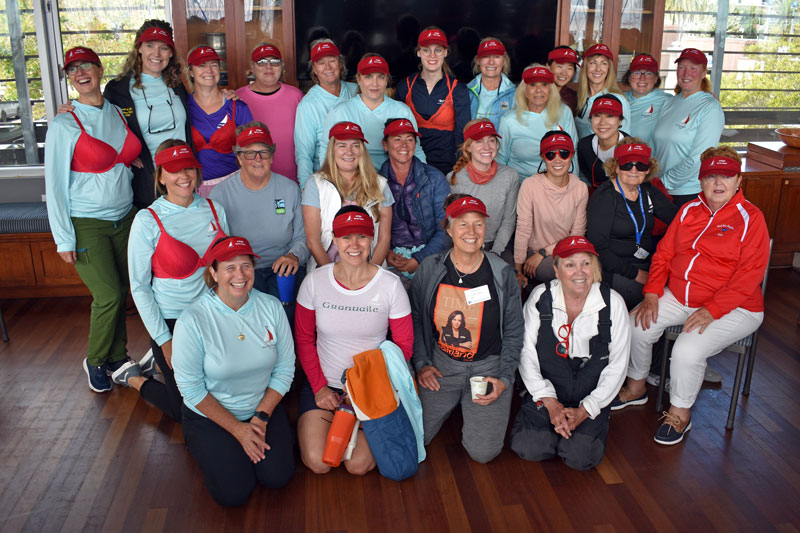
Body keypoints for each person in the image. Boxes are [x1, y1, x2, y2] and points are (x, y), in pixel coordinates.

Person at [612, 147, 769, 445]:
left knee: (686, 350)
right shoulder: (688, 211)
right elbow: (663, 256)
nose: (718, 183)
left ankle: (679, 413)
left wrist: (712, 309)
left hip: (736, 307)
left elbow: (749, 276)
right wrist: (653, 293)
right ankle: (636, 387)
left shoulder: (751, 218)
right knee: (635, 325)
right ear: (701, 182)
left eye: (726, 176)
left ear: (738, 181)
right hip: (681, 295)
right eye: (711, 176)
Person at [44, 46, 141, 393]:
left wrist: (131, 162)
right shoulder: (64, 123)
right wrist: (63, 238)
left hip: (124, 217)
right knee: (109, 294)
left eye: (87, 66)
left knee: (122, 290)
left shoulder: (116, 113)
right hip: (87, 222)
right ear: (69, 79)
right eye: (72, 70)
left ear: (100, 71)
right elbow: (54, 184)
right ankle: (96, 359)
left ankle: (118, 356)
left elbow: (118, 157)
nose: (80, 73)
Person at [173, 236, 295, 506]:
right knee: (234, 493)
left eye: (246, 266)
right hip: (211, 415)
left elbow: (285, 368)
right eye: (229, 267)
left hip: (261, 410)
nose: (239, 275)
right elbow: (191, 389)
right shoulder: (192, 320)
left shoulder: (271, 307)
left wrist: (260, 418)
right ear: (214, 273)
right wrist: (238, 431)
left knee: (277, 477)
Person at [295, 206, 413, 475]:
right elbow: (303, 339)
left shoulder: (390, 285)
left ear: (372, 239)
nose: (354, 245)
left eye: (362, 236)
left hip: (372, 388)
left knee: (357, 465)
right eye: (346, 237)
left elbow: (404, 346)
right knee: (318, 462)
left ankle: (358, 423)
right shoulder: (315, 282)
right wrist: (320, 388)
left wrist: (367, 388)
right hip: (325, 387)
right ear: (335, 240)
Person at [116, 141, 229, 421]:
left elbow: (228, 268)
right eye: (175, 169)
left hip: (213, 315)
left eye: (189, 167)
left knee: (222, 398)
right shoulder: (148, 220)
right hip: (172, 321)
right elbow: (140, 287)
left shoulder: (215, 210)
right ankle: (134, 378)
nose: (184, 176)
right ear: (161, 176)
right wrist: (164, 340)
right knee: (186, 411)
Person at [411, 194, 524, 463]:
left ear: (486, 229)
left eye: (478, 224)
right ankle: (456, 404)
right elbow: (416, 318)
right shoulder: (430, 268)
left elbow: (513, 330)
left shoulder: (502, 272)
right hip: (441, 367)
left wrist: (505, 379)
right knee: (413, 438)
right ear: (449, 229)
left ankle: (470, 409)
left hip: (487, 369)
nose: (471, 232)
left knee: (483, 453)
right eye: (462, 224)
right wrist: (422, 363)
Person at [510, 237, 631, 470]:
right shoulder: (540, 298)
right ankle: (553, 427)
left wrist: (586, 410)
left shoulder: (613, 303)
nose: (580, 272)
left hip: (590, 394)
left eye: (586, 264)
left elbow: (618, 365)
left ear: (595, 268)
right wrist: (549, 401)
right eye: (569, 265)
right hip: (547, 391)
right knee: (530, 448)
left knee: (579, 457)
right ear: (556, 269)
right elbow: (526, 354)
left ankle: (577, 427)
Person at [210, 123, 308, 319]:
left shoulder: (290, 189)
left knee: (283, 316)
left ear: (271, 156)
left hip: (281, 268)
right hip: (242, 270)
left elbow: (302, 238)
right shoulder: (220, 194)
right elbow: (216, 246)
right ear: (239, 157)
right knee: (250, 319)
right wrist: (239, 269)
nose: (258, 159)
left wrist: (293, 256)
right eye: (249, 153)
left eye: (263, 152)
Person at [104, 20, 191, 209]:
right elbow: (102, 126)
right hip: (146, 183)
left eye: (164, 48)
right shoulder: (118, 90)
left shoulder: (177, 85)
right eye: (150, 45)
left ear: (171, 53)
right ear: (139, 48)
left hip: (183, 178)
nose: (157, 54)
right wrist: (123, 152)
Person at [586, 139, 677, 309]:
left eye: (640, 166)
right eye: (627, 165)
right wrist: (636, 274)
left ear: (648, 169)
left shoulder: (647, 190)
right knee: (659, 305)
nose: (634, 170)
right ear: (616, 167)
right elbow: (598, 247)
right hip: (615, 269)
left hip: (647, 263)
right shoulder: (605, 196)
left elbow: (678, 220)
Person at [303, 121, 394, 270]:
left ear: (362, 150)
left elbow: (384, 239)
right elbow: (313, 241)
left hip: (370, 268)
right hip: (326, 269)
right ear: (332, 150)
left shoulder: (381, 184)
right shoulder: (316, 184)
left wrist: (369, 276)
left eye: (355, 145)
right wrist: (332, 276)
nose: (349, 151)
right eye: (342, 145)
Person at [318, 53, 426, 171]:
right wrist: (326, 181)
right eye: (368, 77)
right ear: (358, 79)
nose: (374, 84)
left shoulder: (402, 111)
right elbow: (326, 149)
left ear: (387, 80)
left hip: (393, 177)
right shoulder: (340, 111)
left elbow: (416, 150)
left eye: (380, 77)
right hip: (353, 177)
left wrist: (426, 178)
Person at [379, 118, 450, 284]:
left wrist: (420, 258)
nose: (404, 145)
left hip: (431, 255)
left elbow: (447, 228)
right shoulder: (376, 182)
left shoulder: (434, 178)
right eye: (397, 139)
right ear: (385, 145)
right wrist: (385, 251)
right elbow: (371, 229)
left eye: (409, 139)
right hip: (390, 258)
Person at [652, 48, 725, 207]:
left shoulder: (710, 107)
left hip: (687, 193)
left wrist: (664, 182)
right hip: (660, 190)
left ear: (704, 72)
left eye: (693, 68)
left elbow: (700, 157)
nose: (686, 73)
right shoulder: (670, 102)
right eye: (682, 67)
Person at [515, 131, 588, 286]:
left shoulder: (580, 188)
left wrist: (545, 252)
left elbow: (577, 234)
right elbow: (523, 228)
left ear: (571, 155)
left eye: (564, 153)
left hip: (565, 252)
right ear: (543, 157)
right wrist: (518, 269)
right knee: (567, 274)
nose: (557, 159)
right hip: (534, 251)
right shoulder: (530, 185)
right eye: (550, 154)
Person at [395, 27, 471, 174]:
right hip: (410, 165)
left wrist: (457, 171)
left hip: (446, 167)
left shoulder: (458, 90)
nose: (432, 55)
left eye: (438, 50)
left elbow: (461, 135)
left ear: (446, 52)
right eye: (426, 50)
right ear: (418, 52)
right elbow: (396, 132)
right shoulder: (405, 87)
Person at [186, 45, 254, 196]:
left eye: (214, 65)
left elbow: (252, 149)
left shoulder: (237, 107)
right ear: (191, 71)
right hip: (193, 189)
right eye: (202, 65)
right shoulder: (182, 107)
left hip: (234, 186)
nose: (209, 71)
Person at [449, 119, 519, 262]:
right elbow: (454, 223)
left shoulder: (510, 176)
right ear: (468, 147)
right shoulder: (454, 178)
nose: (487, 147)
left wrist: (495, 252)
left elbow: (508, 220)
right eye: (479, 141)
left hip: (498, 244)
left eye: (491, 141)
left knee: (506, 278)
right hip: (465, 243)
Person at [236, 43, 304, 183]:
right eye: (261, 62)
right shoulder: (238, 98)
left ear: (282, 66)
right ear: (252, 67)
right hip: (252, 181)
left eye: (274, 62)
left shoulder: (296, 96)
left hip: (291, 181)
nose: (269, 67)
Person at [295, 39, 358, 189]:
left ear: (340, 64)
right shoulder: (308, 104)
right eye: (321, 63)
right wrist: (307, 190)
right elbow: (304, 155)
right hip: (327, 183)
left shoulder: (357, 91)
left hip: (360, 179)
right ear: (314, 69)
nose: (328, 67)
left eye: (332, 60)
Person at [498, 65, 577, 180]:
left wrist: (572, 185)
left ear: (551, 90)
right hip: (519, 183)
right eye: (533, 85)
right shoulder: (509, 120)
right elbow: (501, 159)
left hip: (556, 182)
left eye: (544, 85)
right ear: (524, 91)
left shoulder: (564, 112)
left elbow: (573, 154)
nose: (538, 90)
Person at [574, 43, 631, 140]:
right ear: (585, 67)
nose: (598, 69)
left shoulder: (618, 99)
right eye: (593, 63)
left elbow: (624, 139)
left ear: (609, 68)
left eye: (603, 63)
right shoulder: (582, 97)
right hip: (583, 153)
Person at [576, 94, 629, 190]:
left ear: (620, 121)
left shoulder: (631, 147)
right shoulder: (584, 146)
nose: (602, 122)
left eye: (610, 116)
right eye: (597, 115)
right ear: (590, 119)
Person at [622, 54, 671, 146]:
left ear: (656, 78)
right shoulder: (619, 99)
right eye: (637, 73)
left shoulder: (667, 101)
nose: (642, 78)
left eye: (648, 73)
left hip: (650, 159)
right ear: (629, 77)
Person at [466, 37, 516, 128]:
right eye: (486, 56)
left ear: (504, 61)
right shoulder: (465, 92)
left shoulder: (515, 94)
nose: (491, 62)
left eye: (497, 57)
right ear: (478, 60)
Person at [547, 46, 581, 113]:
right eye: (560, 66)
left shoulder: (574, 98)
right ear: (548, 66)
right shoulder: (536, 92)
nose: (564, 73)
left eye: (569, 68)